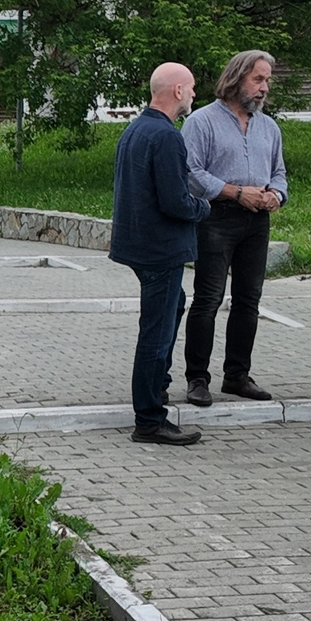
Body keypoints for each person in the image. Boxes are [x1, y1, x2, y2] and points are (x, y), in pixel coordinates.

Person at [108, 62, 214, 445]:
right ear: (178, 92)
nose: (195, 95)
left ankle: (158, 389)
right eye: (192, 88)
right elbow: (176, 202)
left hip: (138, 244)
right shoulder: (167, 136)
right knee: (156, 330)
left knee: (174, 307)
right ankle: (150, 418)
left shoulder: (136, 129)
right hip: (160, 249)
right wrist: (204, 208)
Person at [181, 50, 288, 407]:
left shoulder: (268, 126)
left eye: (267, 81)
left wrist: (276, 195)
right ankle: (197, 377)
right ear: (236, 77)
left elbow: (280, 173)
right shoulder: (201, 122)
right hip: (217, 217)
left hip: (257, 220)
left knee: (249, 301)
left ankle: (237, 376)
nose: (264, 88)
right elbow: (191, 172)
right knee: (208, 299)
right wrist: (235, 192)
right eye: (258, 79)